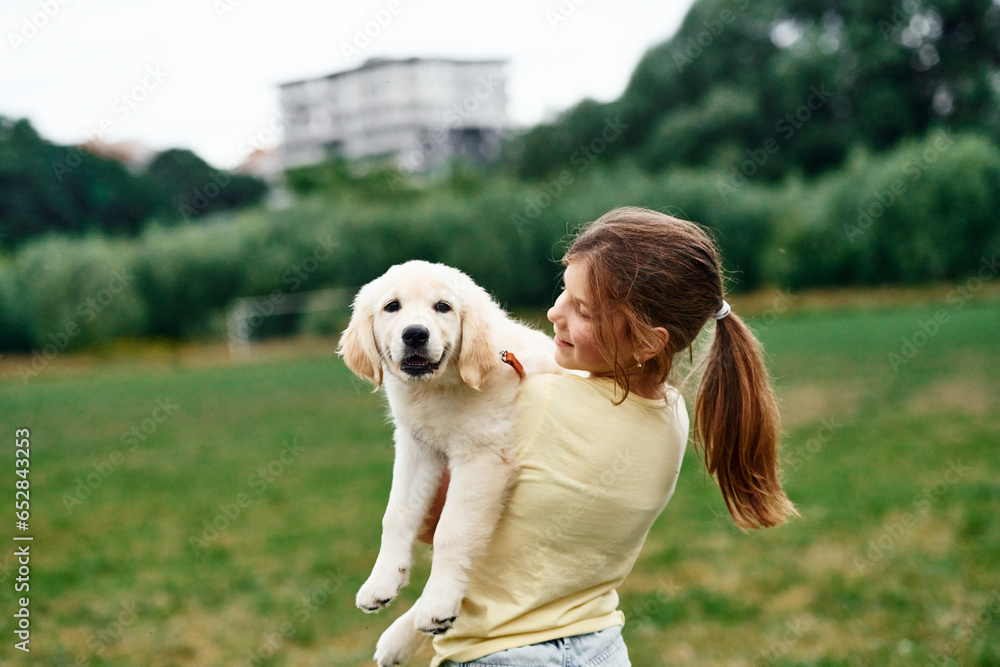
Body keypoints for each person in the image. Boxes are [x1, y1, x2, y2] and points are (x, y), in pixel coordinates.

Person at [422, 206, 797, 666]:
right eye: (564, 291)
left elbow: (428, 520)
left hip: (500, 653)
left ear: (646, 341)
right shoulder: (674, 415)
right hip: (599, 647)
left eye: (581, 309)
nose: (553, 312)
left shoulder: (535, 403)